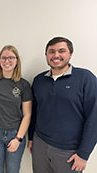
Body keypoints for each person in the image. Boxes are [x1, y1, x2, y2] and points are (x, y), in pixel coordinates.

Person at [28, 36, 97, 173]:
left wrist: (84, 154)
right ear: (46, 55)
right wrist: (31, 138)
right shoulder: (39, 80)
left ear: (70, 54)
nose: (56, 55)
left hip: (69, 152)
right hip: (40, 145)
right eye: (51, 51)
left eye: (61, 51)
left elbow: (94, 117)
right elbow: (35, 112)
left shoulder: (85, 78)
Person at [0, 45, 33, 173]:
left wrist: (18, 139)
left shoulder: (24, 85)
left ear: (17, 61)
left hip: (15, 135)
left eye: (11, 58)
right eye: (3, 58)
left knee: (13, 170)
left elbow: (27, 114)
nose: (7, 61)